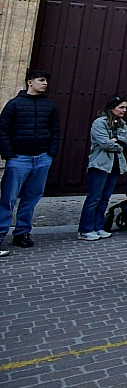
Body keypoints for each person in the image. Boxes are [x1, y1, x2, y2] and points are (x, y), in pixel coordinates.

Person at [0, 69, 61, 252]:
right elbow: (2, 130)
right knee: (8, 199)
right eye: (41, 80)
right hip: (19, 158)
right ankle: (0, 234)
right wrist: (9, 154)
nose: (45, 84)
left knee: (31, 197)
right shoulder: (14, 104)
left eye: (46, 81)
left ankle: (22, 233)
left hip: (42, 158)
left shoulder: (49, 105)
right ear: (29, 82)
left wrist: (50, 153)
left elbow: (55, 130)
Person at [79, 96, 127, 241]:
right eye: (121, 107)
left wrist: (118, 140)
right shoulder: (100, 123)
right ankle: (86, 230)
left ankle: (99, 227)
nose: (124, 110)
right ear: (112, 108)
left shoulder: (122, 123)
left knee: (105, 198)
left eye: (125, 107)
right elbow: (105, 143)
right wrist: (119, 144)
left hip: (115, 165)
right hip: (101, 164)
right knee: (94, 198)